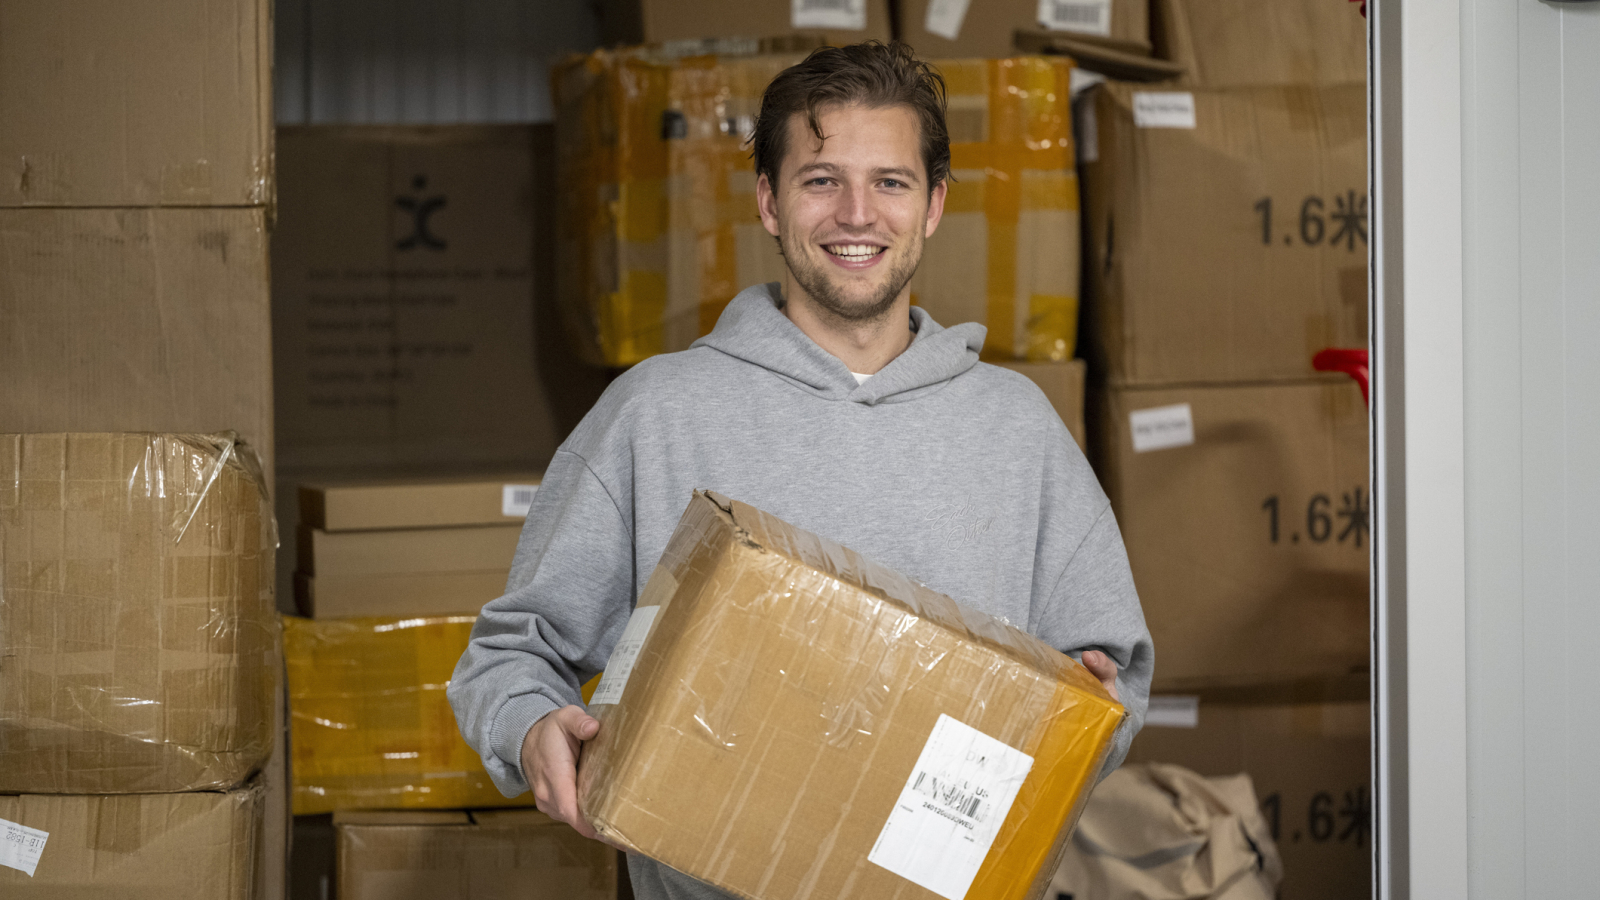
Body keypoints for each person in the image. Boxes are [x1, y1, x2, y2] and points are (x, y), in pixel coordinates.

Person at [449, 40, 1152, 900]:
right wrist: (528, 730)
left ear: (932, 206)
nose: (857, 213)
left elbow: (1114, 676)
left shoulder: (1017, 430)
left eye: (890, 182)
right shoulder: (657, 414)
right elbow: (509, 656)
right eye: (821, 180)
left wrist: (1079, 714)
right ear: (770, 203)